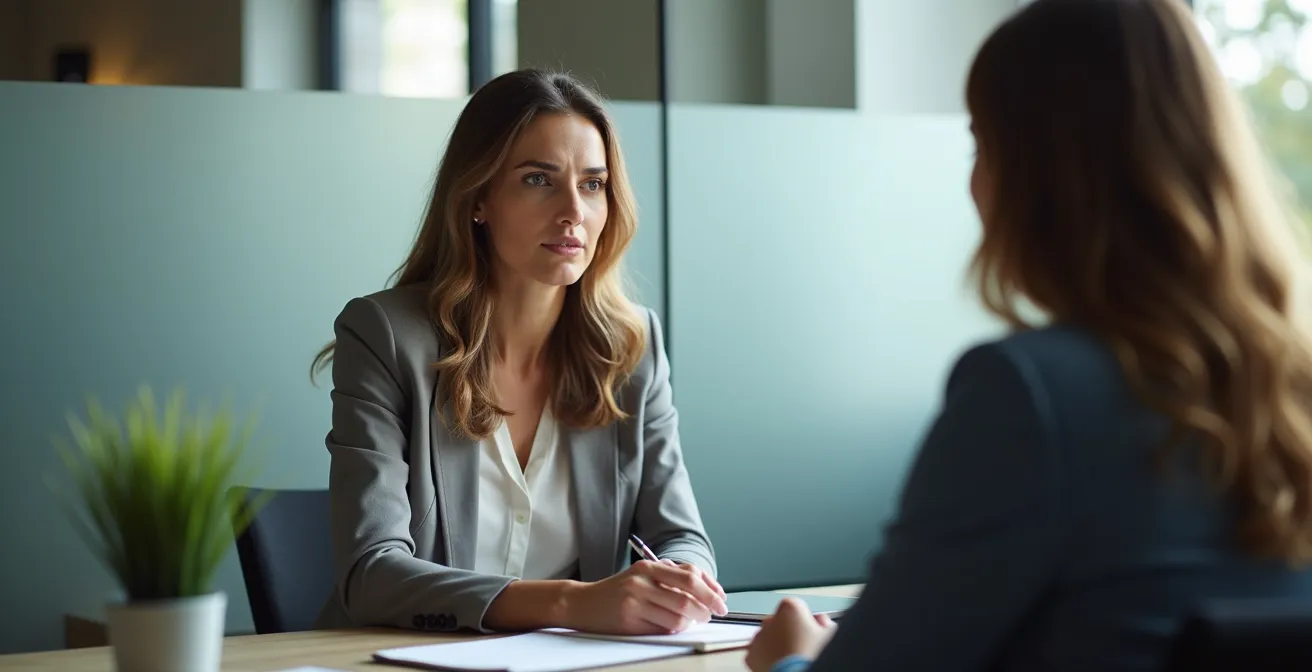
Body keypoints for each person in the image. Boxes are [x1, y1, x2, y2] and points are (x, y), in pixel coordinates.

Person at [746, 0, 1312, 670]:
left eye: (981, 145)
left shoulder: (1032, 395)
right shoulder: (1290, 385)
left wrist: (792, 659)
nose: (973, 182)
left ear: (1044, 174)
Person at [311, 68, 727, 637]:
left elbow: (680, 535)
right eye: (538, 180)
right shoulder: (386, 336)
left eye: (593, 184)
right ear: (478, 197)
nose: (573, 212)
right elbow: (372, 573)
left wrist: (682, 580)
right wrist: (570, 603)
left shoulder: (631, 347)